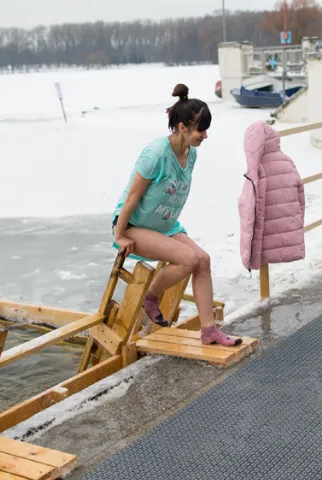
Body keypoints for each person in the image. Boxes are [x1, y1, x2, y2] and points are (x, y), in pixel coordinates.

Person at [112, 83, 242, 347]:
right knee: (188, 259)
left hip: (164, 225)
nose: (205, 135)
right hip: (133, 225)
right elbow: (132, 197)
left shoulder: (190, 154)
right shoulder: (157, 153)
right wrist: (119, 235)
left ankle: (209, 331)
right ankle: (150, 297)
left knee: (202, 260)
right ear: (182, 128)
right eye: (200, 129)